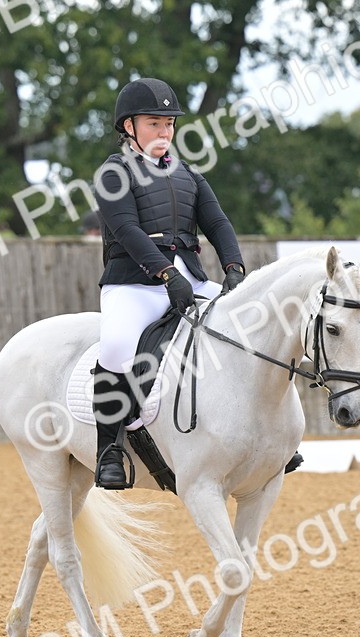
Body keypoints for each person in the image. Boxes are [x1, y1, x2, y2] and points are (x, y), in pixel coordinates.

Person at [90, 77, 248, 489]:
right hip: (134, 284)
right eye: (154, 123)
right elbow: (125, 228)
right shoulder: (113, 172)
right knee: (117, 345)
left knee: (244, 328)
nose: (164, 132)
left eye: (169, 124)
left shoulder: (188, 175)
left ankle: (260, 434)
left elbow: (217, 222)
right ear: (130, 127)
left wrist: (233, 266)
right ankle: (109, 448)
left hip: (190, 279)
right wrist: (165, 273)